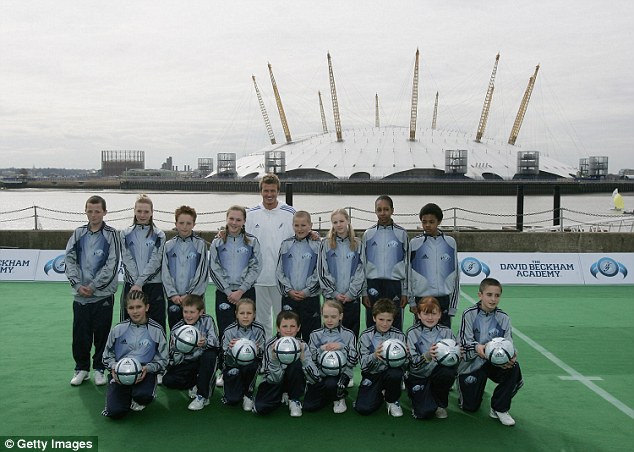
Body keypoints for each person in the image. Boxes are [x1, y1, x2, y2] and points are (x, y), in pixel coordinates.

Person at [65, 195, 120, 387]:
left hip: (102, 295)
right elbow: (69, 260)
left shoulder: (112, 234)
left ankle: (99, 369)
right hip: (80, 294)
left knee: (102, 334)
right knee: (80, 334)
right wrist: (78, 285)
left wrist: (94, 286)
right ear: (85, 211)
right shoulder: (78, 233)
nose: (93, 215)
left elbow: (112, 265)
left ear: (105, 212)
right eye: (90, 210)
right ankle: (81, 369)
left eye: (97, 211)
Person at [458, 278, 523, 426]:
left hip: (495, 362)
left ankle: (499, 408)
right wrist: (477, 347)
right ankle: (463, 382)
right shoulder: (469, 314)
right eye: (489, 294)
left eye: (497, 295)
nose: (493, 299)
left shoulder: (504, 317)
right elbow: (463, 341)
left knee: (514, 368)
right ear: (480, 295)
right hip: (472, 362)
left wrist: (511, 356)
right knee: (470, 407)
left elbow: (509, 342)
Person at [101, 290, 168, 418]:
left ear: (147, 307)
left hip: (144, 372)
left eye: (139, 307)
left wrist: (148, 368)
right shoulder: (118, 329)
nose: (135, 311)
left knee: (144, 396)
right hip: (120, 374)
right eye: (131, 308)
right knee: (115, 412)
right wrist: (114, 367)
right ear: (126, 309)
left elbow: (164, 359)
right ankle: (120, 393)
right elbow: (106, 355)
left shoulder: (157, 330)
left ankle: (137, 395)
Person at [245, 173, 296, 339]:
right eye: (266, 190)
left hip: (281, 279)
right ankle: (266, 357)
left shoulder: (290, 213)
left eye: (272, 191)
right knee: (261, 321)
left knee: (284, 321)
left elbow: (302, 233)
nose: (269, 194)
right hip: (258, 279)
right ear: (260, 191)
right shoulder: (251, 214)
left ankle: (284, 353)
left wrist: (314, 235)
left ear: (278, 191)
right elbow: (238, 234)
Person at [253, 310, 320, 417]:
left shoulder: (303, 345)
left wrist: (303, 358)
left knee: (296, 363)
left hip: (294, 381)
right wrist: (274, 359)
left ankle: (294, 399)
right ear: (278, 328)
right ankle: (280, 396)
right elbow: (271, 379)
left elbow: (314, 378)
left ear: (298, 328)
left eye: (292, 326)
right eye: (284, 326)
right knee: (261, 408)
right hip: (275, 382)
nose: (289, 330)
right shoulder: (270, 345)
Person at [209, 205, 262, 338]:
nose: (234, 222)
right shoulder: (217, 242)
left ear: (244, 221)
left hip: (245, 292)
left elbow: (256, 267)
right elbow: (214, 268)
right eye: (231, 218)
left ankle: (248, 356)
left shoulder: (252, 242)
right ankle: (225, 357)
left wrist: (241, 290)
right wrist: (227, 291)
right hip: (224, 293)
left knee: (247, 329)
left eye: (238, 220)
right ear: (226, 219)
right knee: (225, 329)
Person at [162, 294, 220, 411]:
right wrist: (179, 348)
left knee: (211, 355)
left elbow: (216, 343)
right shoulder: (177, 328)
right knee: (168, 380)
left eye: (192, 312)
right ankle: (194, 383)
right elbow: (172, 356)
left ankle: (202, 396)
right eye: (186, 312)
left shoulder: (207, 320)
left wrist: (204, 343)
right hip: (188, 361)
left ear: (201, 312)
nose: (188, 316)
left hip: (204, 359)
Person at [406, 296, 458, 420]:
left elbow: (455, 360)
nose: (430, 318)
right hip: (418, 377)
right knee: (425, 413)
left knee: (448, 372)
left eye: (434, 314)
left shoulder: (447, 332)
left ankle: (441, 404)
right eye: (426, 314)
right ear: (418, 315)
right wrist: (427, 356)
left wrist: (457, 353)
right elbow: (411, 365)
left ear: (440, 315)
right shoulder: (412, 333)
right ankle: (415, 395)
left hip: (437, 375)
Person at [119, 194, 166, 330]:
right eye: (139, 211)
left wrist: (140, 282)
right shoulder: (125, 234)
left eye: (146, 211)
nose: (142, 215)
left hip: (154, 285)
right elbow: (127, 259)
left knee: (157, 326)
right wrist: (136, 283)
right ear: (134, 211)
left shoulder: (159, 234)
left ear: (152, 213)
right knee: (128, 326)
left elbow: (156, 261)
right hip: (131, 285)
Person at [408, 203, 459, 328]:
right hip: (422, 298)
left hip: (443, 299)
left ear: (439, 221)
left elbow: (456, 274)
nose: (427, 225)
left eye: (431, 222)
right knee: (420, 337)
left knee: (444, 340)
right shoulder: (415, 243)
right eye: (424, 222)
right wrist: (411, 301)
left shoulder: (450, 243)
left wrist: (453, 306)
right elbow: (408, 273)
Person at [362, 195, 408, 331]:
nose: (383, 213)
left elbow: (407, 265)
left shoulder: (402, 233)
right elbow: (363, 265)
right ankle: (372, 351)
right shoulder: (368, 234)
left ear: (392, 210)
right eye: (379, 209)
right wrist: (364, 292)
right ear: (375, 211)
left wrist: (405, 291)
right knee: (372, 323)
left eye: (386, 209)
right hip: (373, 284)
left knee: (395, 323)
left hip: (394, 285)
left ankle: (396, 350)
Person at [303, 299, 358, 414]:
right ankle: (328, 394)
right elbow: (311, 359)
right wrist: (321, 349)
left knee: (331, 384)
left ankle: (339, 397)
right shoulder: (315, 334)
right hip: (320, 373)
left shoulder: (348, 334)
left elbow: (353, 361)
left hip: (341, 373)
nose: (329, 320)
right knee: (309, 406)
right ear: (322, 315)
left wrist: (342, 347)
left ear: (340, 316)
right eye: (326, 316)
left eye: (333, 316)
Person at [355, 298, 407, 417]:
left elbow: (406, 366)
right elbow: (363, 365)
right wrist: (374, 356)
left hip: (390, 372)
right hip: (372, 374)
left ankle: (392, 400)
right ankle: (380, 393)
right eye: (381, 319)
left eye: (389, 320)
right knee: (363, 409)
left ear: (393, 319)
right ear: (374, 318)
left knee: (396, 374)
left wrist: (405, 356)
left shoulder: (399, 336)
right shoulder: (365, 336)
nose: (385, 323)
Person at [318, 208, 365, 338]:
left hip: (352, 298)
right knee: (331, 333)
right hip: (332, 298)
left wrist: (351, 292)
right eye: (335, 222)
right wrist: (334, 293)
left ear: (348, 221)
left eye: (341, 221)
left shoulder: (358, 243)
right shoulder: (325, 244)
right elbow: (322, 270)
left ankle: (350, 358)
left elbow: (361, 270)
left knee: (351, 334)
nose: (338, 225)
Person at [162, 205, 209, 330]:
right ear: (176, 223)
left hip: (194, 298)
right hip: (175, 299)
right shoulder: (168, 246)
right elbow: (165, 272)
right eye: (181, 223)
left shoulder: (200, 245)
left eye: (188, 223)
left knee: (196, 331)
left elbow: (202, 272)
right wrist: (172, 294)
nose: (184, 226)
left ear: (194, 224)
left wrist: (190, 295)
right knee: (175, 330)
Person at [277, 210, 321, 342]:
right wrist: (288, 290)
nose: (300, 229)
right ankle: (289, 361)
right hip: (289, 298)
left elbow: (320, 271)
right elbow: (279, 271)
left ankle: (311, 362)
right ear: (292, 226)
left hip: (310, 299)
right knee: (289, 337)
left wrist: (307, 291)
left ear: (310, 225)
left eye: (303, 225)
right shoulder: (286, 244)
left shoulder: (317, 245)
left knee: (311, 337)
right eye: (296, 225)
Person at [219, 298, 266, 412]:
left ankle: (248, 394)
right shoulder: (229, 331)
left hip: (250, 364)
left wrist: (257, 349)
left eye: (249, 313)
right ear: (236, 314)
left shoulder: (259, 329)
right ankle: (232, 384)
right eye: (242, 313)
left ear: (254, 314)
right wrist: (231, 349)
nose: (245, 316)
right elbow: (223, 355)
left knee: (254, 365)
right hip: (233, 365)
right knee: (232, 400)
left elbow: (264, 351)